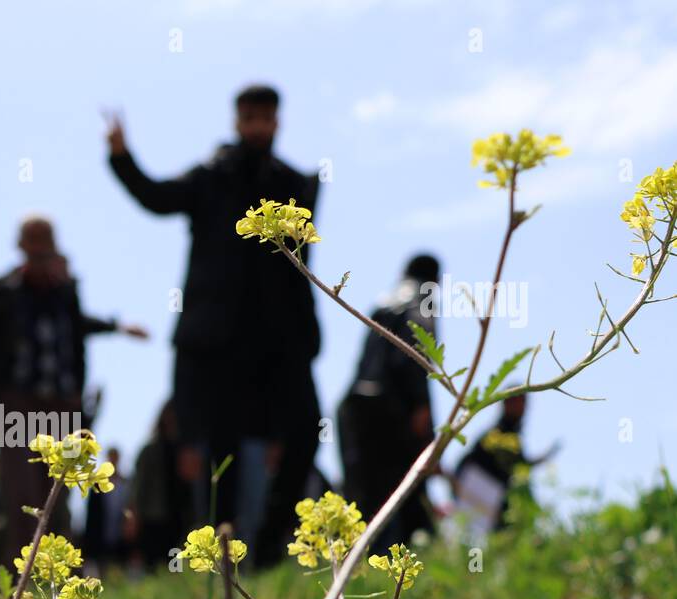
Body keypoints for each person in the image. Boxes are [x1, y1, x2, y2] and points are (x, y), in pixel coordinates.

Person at [106, 84, 321, 563]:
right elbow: (157, 197)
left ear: (277, 122)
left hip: (280, 342)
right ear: (237, 120)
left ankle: (268, 549)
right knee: (215, 453)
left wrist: (306, 339)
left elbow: (303, 261)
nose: (258, 126)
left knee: (304, 429)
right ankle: (219, 558)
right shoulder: (211, 176)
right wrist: (122, 157)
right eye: (250, 117)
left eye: (266, 117)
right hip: (215, 343)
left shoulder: (296, 183)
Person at [0, 217, 147, 570]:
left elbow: (79, 326)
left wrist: (117, 327)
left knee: (58, 494)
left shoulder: (64, 294)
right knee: (24, 498)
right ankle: (21, 584)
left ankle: (57, 579)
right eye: (36, 247)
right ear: (22, 248)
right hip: (16, 407)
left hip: (64, 407)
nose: (42, 255)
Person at [337, 254, 441, 549]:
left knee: (363, 498)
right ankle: (390, 563)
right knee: (397, 495)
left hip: (355, 406)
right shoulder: (423, 298)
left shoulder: (383, 301)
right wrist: (422, 410)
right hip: (390, 413)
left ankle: (360, 563)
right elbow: (416, 356)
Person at [452, 395, 557, 536]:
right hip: (480, 494)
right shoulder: (497, 434)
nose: (522, 408)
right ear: (505, 404)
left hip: (489, 501)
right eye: (516, 402)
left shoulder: (511, 435)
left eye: (523, 403)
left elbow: (520, 465)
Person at [130, 400, 196, 571]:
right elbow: (138, 485)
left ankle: (171, 589)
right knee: (153, 563)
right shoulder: (149, 450)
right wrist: (133, 515)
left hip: (179, 517)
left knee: (176, 563)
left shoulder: (187, 450)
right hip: (153, 517)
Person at [82, 448, 132, 573]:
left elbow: (129, 506)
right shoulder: (96, 483)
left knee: (119, 565)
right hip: (100, 531)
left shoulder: (125, 482)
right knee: (101, 565)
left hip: (120, 531)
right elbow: (91, 513)